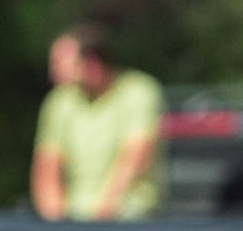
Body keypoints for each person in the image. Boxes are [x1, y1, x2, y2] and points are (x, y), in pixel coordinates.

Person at [31, 24, 165, 220]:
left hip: (130, 219)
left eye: (61, 63)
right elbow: (47, 167)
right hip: (75, 219)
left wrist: (100, 222)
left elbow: (136, 158)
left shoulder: (139, 92)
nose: (53, 72)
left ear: (92, 62)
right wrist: (55, 225)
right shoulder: (59, 102)